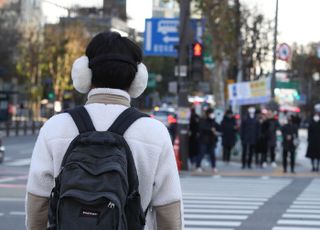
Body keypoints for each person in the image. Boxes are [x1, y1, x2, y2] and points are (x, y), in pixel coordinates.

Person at [25, 32, 183, 230]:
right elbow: (168, 211)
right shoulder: (154, 132)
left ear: (84, 74)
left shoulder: (55, 127)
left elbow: (38, 202)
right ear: (137, 80)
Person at [196, 108, 219, 173]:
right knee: (201, 153)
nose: (212, 115)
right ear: (208, 114)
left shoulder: (213, 120)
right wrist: (210, 129)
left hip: (211, 140)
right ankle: (198, 166)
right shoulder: (202, 120)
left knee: (212, 154)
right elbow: (202, 128)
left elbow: (217, 127)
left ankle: (214, 167)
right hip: (203, 140)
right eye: (211, 113)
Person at [306, 104, 320, 172]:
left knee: (318, 155)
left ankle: (317, 166)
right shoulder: (311, 120)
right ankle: (313, 166)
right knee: (312, 155)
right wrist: (308, 138)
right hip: (312, 140)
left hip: (318, 140)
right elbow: (309, 130)